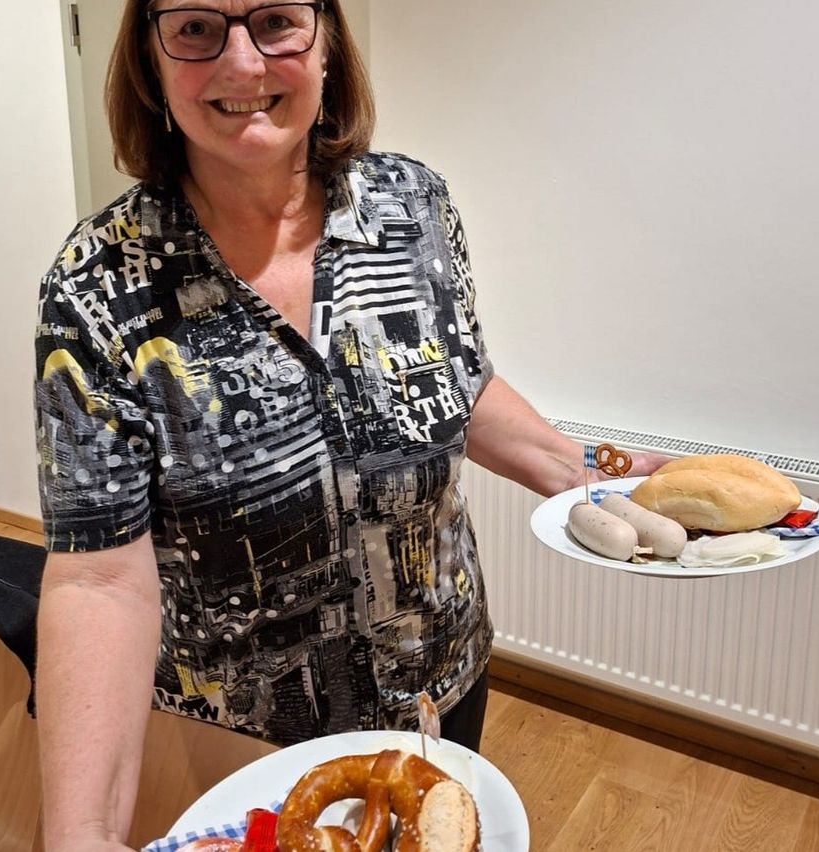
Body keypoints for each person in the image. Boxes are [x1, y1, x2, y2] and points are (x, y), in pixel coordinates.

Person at [33, 2, 667, 849]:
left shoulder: (412, 204)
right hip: (241, 741)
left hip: (436, 688)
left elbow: (451, 381)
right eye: (194, 28)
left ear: (326, 41)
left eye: (275, 21)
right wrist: (78, 830)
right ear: (150, 61)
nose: (243, 64)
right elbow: (98, 580)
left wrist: (581, 469)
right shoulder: (95, 287)